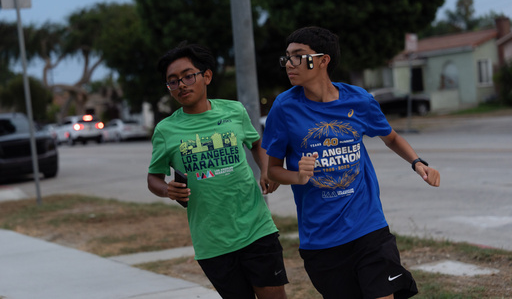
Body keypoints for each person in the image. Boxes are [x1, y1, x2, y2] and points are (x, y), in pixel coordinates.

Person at [261, 27, 441, 299]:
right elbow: (273, 169)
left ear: (323, 60)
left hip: (369, 228)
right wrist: (297, 176)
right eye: (286, 57)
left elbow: (390, 137)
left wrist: (417, 162)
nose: (289, 64)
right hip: (321, 239)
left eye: (298, 56)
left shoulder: (359, 99)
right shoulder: (284, 108)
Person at [147, 43, 288, 299]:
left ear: (207, 76)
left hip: (256, 227)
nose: (181, 85)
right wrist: (167, 189)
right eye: (173, 81)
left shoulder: (234, 111)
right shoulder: (165, 130)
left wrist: (265, 169)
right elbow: (153, 178)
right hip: (212, 240)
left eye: (188, 76)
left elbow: (257, 143)